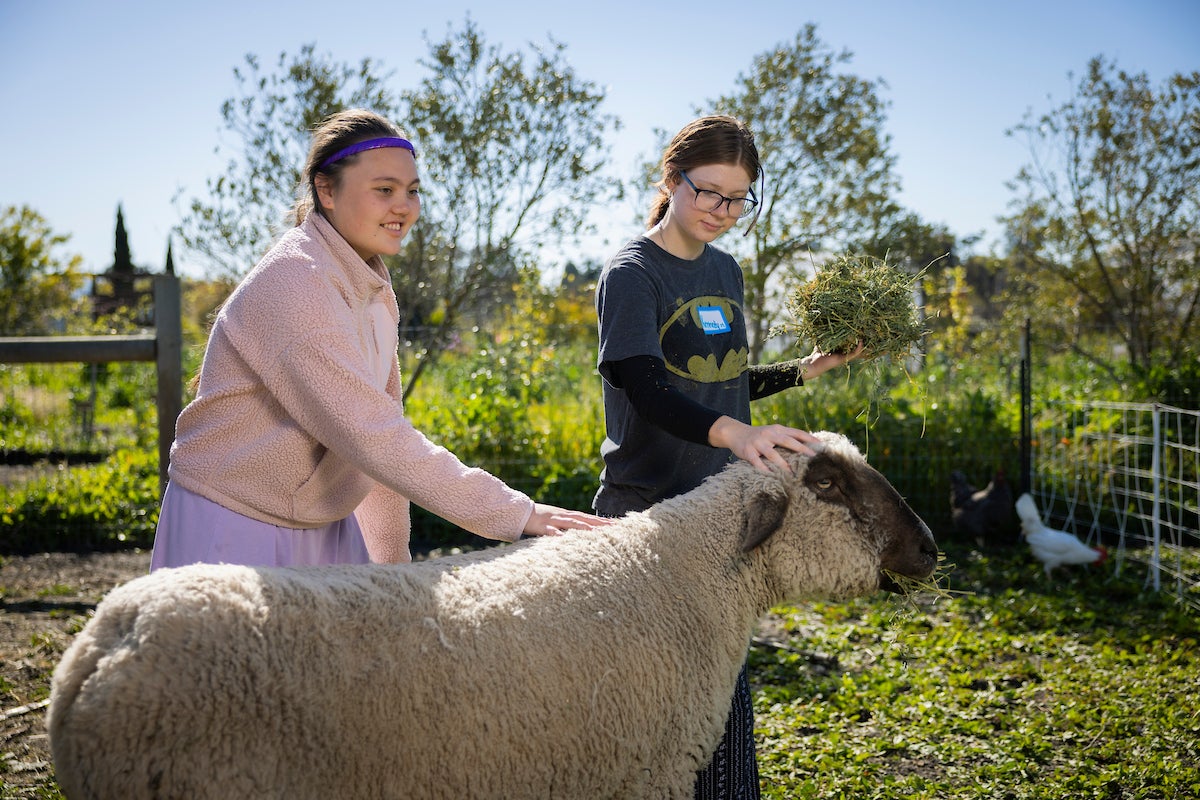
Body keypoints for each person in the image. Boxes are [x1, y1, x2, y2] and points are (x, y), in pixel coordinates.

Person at [151, 108, 607, 571]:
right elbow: (372, 437)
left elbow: (376, 440)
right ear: (326, 191)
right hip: (235, 525)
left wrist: (392, 571)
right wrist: (515, 512)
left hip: (322, 523)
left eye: (412, 191)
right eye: (384, 190)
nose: (404, 206)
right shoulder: (296, 281)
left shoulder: (369, 284)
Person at [593, 115, 864, 799]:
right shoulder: (633, 274)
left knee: (718, 706)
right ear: (670, 179)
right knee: (647, 713)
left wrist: (807, 368)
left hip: (719, 518)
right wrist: (738, 436)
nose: (723, 211)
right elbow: (649, 388)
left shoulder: (725, 269)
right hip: (648, 519)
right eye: (708, 192)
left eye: (738, 198)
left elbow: (719, 380)